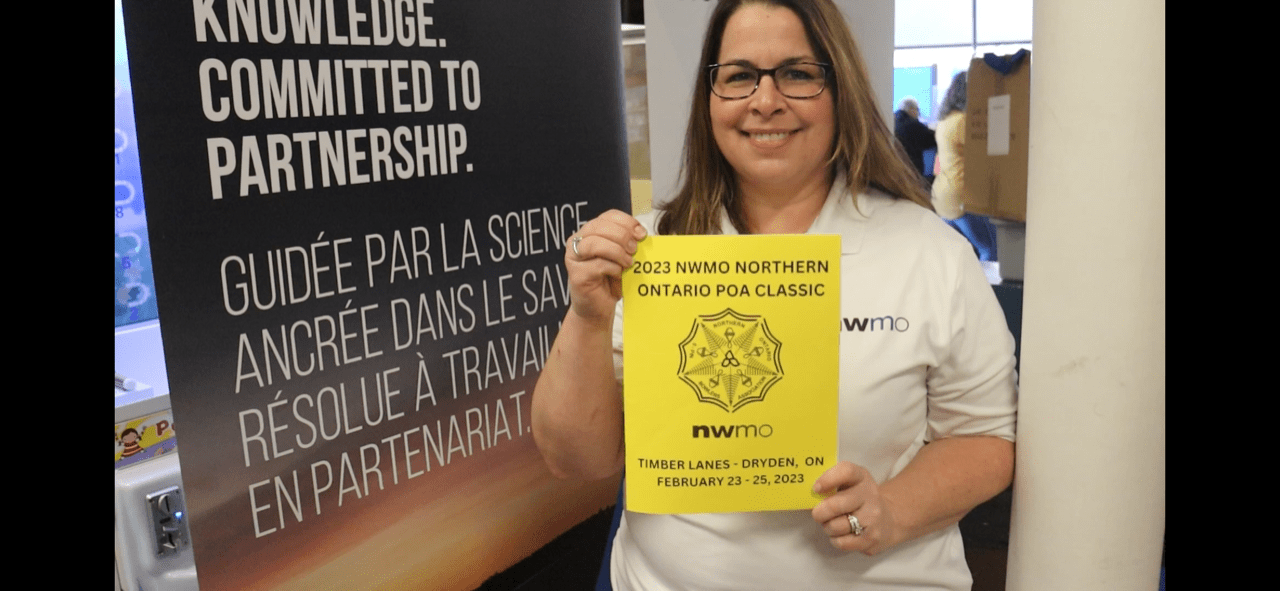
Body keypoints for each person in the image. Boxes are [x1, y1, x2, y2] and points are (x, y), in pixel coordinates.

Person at [531, 1, 1017, 589]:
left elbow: (986, 436)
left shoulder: (929, 252)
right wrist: (588, 315)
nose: (766, 100)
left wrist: (893, 509)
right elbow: (574, 459)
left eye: (797, 73)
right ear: (710, 98)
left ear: (839, 90)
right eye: (739, 76)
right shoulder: (649, 252)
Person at [932, 71, 1000, 261]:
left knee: (959, 255)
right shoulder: (963, 121)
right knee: (991, 251)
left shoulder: (944, 121)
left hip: (942, 196)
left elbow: (937, 165)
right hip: (963, 195)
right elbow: (987, 156)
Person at [893, 96, 937, 180]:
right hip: (913, 170)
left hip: (899, 167)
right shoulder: (912, 124)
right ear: (912, 109)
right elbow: (933, 139)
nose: (918, 114)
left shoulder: (895, 121)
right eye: (917, 110)